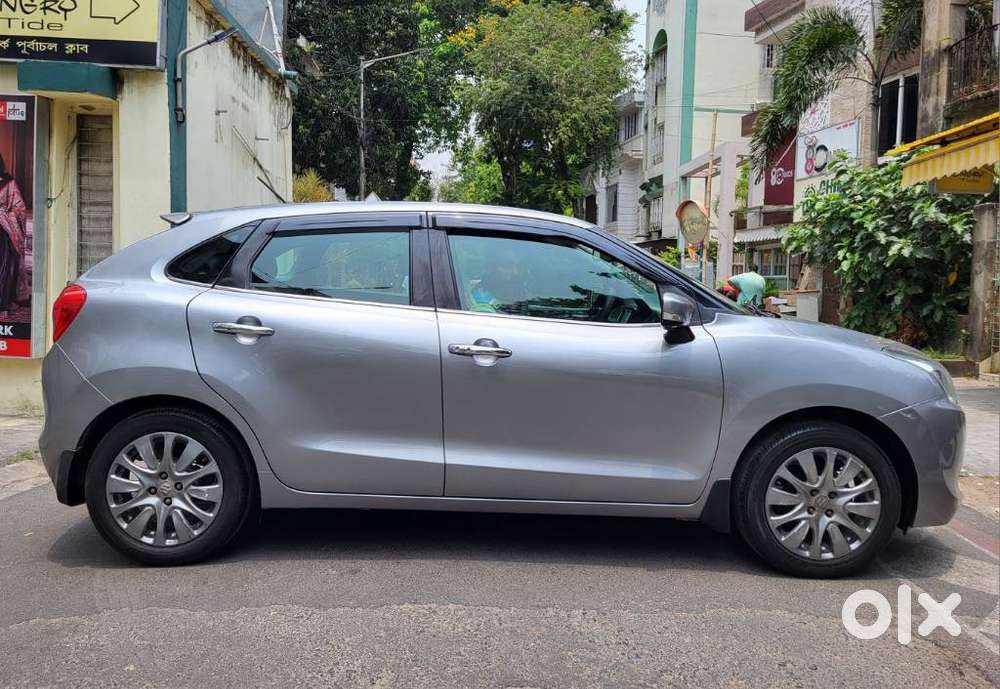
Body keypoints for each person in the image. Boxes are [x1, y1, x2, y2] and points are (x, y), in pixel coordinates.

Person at [0, 152, 27, 318]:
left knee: (6, 263)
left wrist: (3, 214)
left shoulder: (9, 183)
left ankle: (3, 303)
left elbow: (19, 207)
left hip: (4, 231)